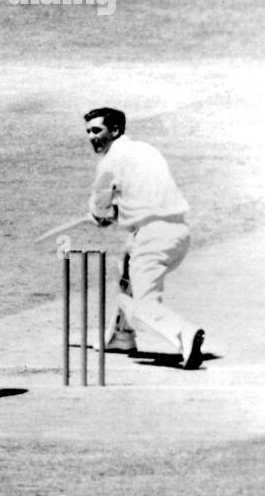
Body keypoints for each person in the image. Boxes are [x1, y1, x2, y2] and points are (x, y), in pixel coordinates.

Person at [83, 107, 204, 369]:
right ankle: (121, 335)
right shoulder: (147, 150)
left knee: (144, 306)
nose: (92, 137)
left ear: (114, 130)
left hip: (153, 238)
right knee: (126, 263)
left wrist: (100, 215)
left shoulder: (109, 162)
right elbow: (145, 191)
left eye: (97, 130)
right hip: (179, 232)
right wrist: (121, 210)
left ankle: (184, 332)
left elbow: (100, 209)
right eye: (89, 132)